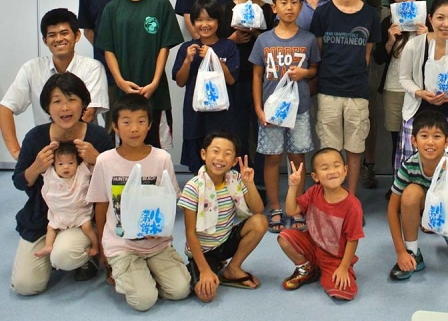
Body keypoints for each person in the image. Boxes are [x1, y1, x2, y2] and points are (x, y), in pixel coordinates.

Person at [11, 73, 114, 295]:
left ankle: (85, 255)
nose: (65, 108)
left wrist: (99, 160)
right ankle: (58, 245)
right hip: (44, 217)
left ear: (83, 103)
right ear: (47, 107)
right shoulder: (35, 138)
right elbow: (19, 181)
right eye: (57, 101)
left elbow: (116, 184)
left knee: (63, 256)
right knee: (25, 285)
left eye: (71, 99)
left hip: (82, 218)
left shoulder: (98, 136)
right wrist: (36, 167)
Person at [86, 94, 191, 312]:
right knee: (144, 301)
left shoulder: (162, 158)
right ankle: (128, 271)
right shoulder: (105, 161)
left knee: (180, 290)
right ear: (115, 126)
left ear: (149, 124)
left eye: (141, 121)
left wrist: (161, 230)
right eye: (126, 122)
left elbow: (169, 202)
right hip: (122, 245)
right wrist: (103, 249)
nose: (134, 129)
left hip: (156, 243)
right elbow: (101, 206)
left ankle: (144, 272)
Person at [96, 0, 184, 147]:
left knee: (156, 150)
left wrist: (154, 82)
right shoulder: (113, 8)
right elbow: (108, 49)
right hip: (123, 94)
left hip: (156, 94)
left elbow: (164, 48)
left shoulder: (161, 5)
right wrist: (120, 82)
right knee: (125, 149)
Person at [250, 0, 320, 234]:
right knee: (272, 158)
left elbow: (315, 69)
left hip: (299, 110)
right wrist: (258, 109)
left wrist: (305, 73)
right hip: (271, 111)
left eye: (294, 2)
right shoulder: (264, 40)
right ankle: (275, 206)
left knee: (297, 159)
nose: (289, 7)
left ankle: (296, 207)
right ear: (274, 7)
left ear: (300, 6)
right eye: (283, 3)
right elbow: (257, 75)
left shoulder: (308, 38)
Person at [310, 0, 381, 195]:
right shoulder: (322, 13)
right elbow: (319, 52)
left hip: (357, 91)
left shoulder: (370, 15)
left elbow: (367, 55)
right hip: (328, 90)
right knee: (330, 149)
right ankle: (332, 197)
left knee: (355, 147)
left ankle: (350, 198)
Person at [1, 8, 108, 160]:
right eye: (52, 35)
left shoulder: (93, 68)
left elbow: (88, 114)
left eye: (64, 33)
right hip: (46, 151)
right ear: (45, 40)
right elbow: (5, 108)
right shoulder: (32, 68)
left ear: (77, 35)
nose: (58, 39)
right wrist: (17, 152)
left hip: (82, 151)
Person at [178, 131, 268, 301]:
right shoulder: (193, 187)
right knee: (206, 295)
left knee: (260, 222)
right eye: (215, 151)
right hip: (203, 251)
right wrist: (204, 270)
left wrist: (249, 183)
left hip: (225, 241)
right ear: (204, 154)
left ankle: (232, 268)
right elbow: (190, 233)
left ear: (234, 161)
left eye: (227, 154)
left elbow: (258, 209)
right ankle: (211, 266)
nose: (220, 158)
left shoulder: (236, 179)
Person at [388, 110, 448, 280]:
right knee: (410, 193)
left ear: (446, 141)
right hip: (424, 211)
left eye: (437, 136)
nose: (430, 142)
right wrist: (401, 252)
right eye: (424, 136)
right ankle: (413, 253)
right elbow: (392, 210)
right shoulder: (409, 166)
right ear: (414, 141)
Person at [395, 0, 448, 171]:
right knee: (414, 168)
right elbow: (404, 78)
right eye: (440, 17)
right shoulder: (414, 45)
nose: (446, 24)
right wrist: (420, 93)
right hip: (417, 114)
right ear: (430, 18)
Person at [278, 148, 364, 301]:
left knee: (343, 293)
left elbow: (353, 240)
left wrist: (343, 268)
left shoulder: (353, 205)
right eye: (325, 168)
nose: (332, 171)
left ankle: (324, 270)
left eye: (336, 166)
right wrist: (293, 186)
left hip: (335, 258)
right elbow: (291, 210)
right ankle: (307, 269)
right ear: (315, 177)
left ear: (345, 170)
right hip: (313, 246)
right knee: (284, 237)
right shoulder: (314, 192)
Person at [218, 0, 276, 171]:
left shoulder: (269, 10)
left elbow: (276, 43)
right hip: (235, 79)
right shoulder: (227, 9)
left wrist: (257, 35)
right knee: (238, 129)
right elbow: (216, 45)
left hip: (264, 80)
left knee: (263, 128)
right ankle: (240, 175)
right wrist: (232, 40)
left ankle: (260, 176)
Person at [172, 0, 240, 172]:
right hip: (195, 115)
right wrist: (187, 60)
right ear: (193, 23)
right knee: (197, 163)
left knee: (222, 156)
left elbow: (231, 79)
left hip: (222, 116)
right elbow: (180, 81)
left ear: (218, 21)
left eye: (210, 19)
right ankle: (199, 189)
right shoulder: (187, 48)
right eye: (199, 20)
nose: (204, 24)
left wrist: (213, 58)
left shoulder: (228, 46)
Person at [374, 0, 426, 170]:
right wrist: (390, 41)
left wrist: (427, 37)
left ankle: (421, 180)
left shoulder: (429, 20)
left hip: (421, 90)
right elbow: (378, 58)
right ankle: (398, 181)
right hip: (394, 87)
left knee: (422, 137)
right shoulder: (388, 22)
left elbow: (441, 56)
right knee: (397, 140)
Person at [77, 0, 129, 109]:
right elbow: (88, 30)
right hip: (106, 70)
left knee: (139, 119)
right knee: (111, 119)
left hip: (136, 65)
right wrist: (107, 50)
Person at [33, 141, 99, 260]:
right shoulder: (50, 174)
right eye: (60, 164)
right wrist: (50, 148)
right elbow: (43, 164)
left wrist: (85, 150)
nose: (66, 167)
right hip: (59, 213)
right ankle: (48, 245)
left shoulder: (81, 172)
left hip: (79, 213)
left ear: (77, 163)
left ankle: (95, 246)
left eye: (71, 163)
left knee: (87, 227)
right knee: (51, 227)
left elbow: (88, 160)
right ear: (54, 165)